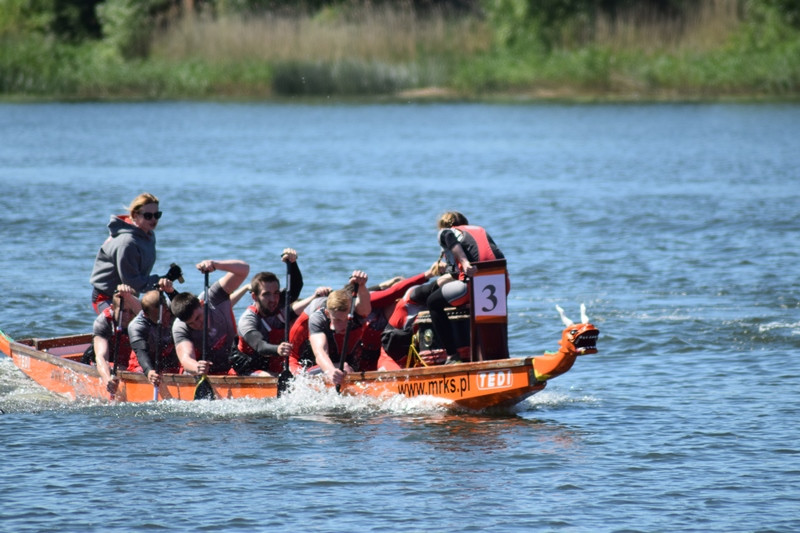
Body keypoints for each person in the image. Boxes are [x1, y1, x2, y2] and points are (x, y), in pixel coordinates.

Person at [417, 211, 506, 364]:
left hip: (472, 285)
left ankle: (453, 356)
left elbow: (451, 241)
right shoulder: (479, 230)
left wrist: (464, 262)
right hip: (501, 284)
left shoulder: (445, 232)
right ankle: (496, 354)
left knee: (433, 302)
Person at [232, 248, 317, 376]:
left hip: (274, 363)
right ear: (254, 297)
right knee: (270, 376)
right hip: (249, 367)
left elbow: (295, 287)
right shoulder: (248, 320)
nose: (273, 299)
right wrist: (278, 349)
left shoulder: (278, 302)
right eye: (266, 294)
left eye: (276, 293)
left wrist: (292, 263)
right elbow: (260, 346)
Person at [89, 193, 174, 314]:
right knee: (129, 328)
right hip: (105, 298)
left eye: (157, 215)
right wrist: (160, 280)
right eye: (148, 216)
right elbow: (132, 282)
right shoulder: (127, 243)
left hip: (129, 296)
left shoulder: (148, 235)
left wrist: (164, 280)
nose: (154, 219)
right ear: (135, 215)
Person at [358, 261, 443, 371]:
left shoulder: (410, 315)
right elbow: (392, 292)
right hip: (359, 362)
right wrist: (428, 274)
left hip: (388, 358)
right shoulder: (370, 304)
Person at [171, 259, 250, 376]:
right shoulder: (180, 327)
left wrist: (216, 265)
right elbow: (186, 358)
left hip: (233, 362)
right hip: (203, 371)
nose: (197, 325)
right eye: (191, 323)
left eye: (198, 318)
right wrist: (196, 366)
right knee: (188, 371)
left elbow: (243, 270)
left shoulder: (213, 297)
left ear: (202, 304)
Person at [305, 271, 371, 386]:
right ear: (327, 314)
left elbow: (365, 303)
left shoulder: (356, 313)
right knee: (345, 366)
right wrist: (331, 372)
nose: (344, 325)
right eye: (338, 320)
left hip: (347, 363)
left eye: (347, 319)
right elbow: (320, 352)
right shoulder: (317, 319)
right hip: (317, 366)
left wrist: (361, 285)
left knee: (347, 366)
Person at [88, 285, 141, 396]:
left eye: (131, 311)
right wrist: (108, 380)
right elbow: (101, 357)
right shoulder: (103, 321)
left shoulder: (140, 318)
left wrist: (128, 296)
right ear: (112, 308)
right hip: (110, 362)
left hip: (131, 364)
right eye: (123, 311)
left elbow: (144, 310)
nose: (127, 316)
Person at [128, 287, 181, 386]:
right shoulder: (136, 326)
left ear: (166, 307)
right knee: (140, 370)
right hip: (145, 360)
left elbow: (186, 306)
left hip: (168, 356)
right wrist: (149, 371)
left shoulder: (172, 307)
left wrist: (171, 291)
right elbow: (141, 352)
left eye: (165, 314)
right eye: (158, 318)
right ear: (146, 315)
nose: (164, 320)